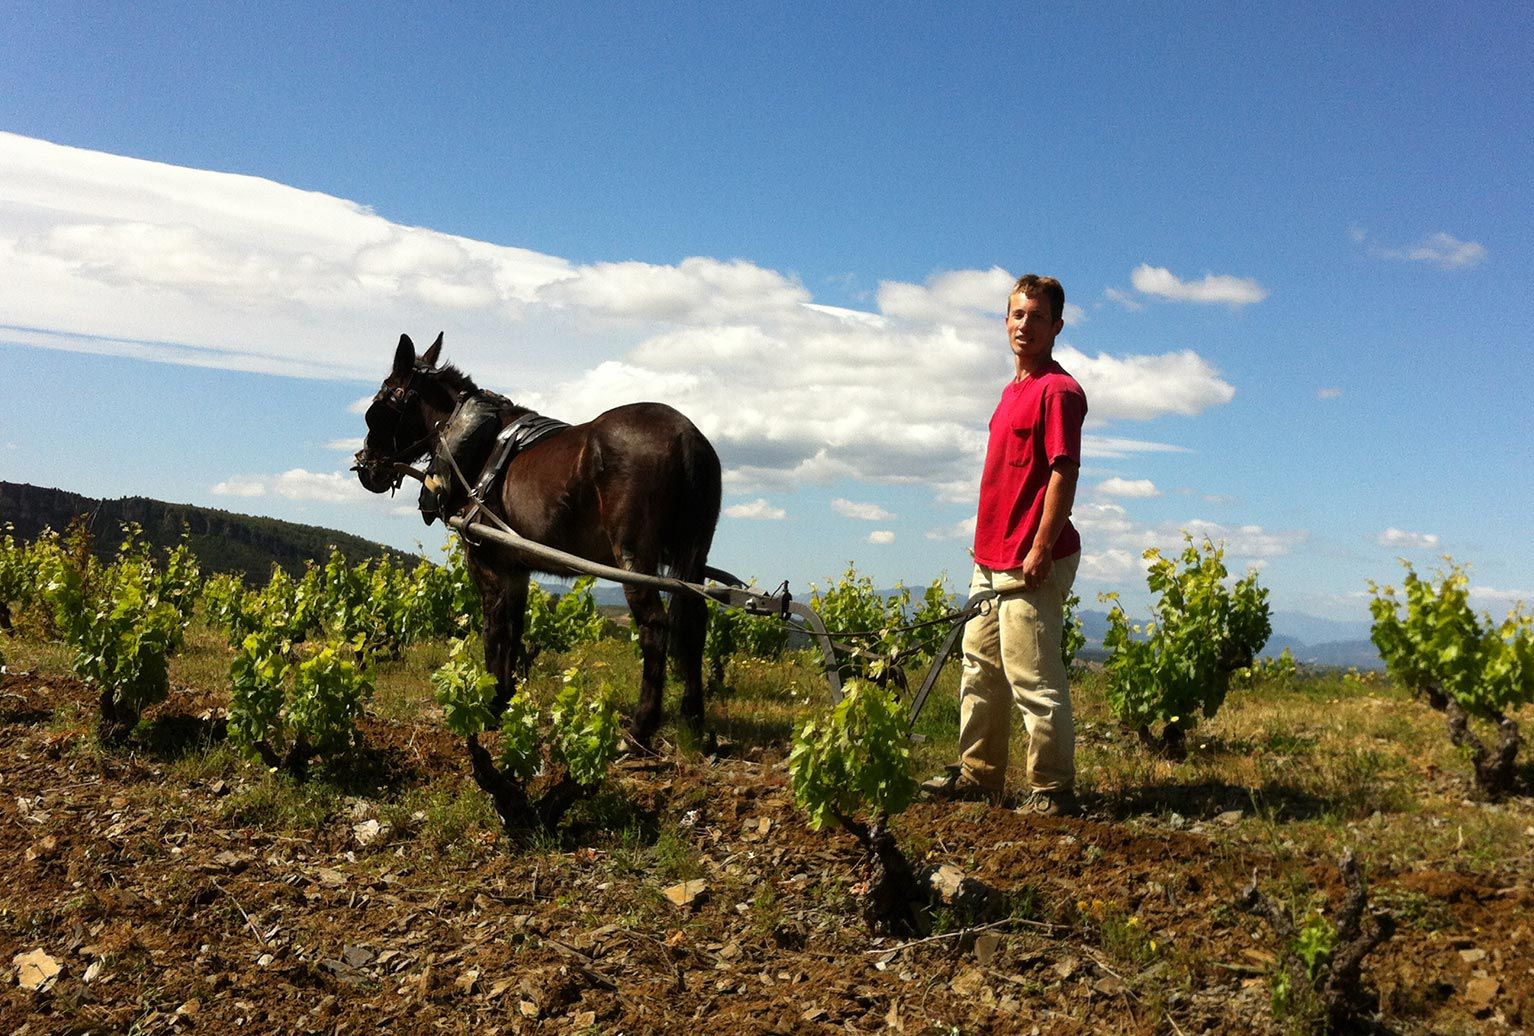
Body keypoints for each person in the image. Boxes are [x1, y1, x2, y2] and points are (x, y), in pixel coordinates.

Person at [922, 273, 1087, 816]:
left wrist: (1039, 548)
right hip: (991, 556)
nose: (1025, 325)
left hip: (1031, 557)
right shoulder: (1011, 391)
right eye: (1018, 314)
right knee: (979, 670)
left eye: (1038, 317)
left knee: (1033, 677)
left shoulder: (1058, 392)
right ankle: (980, 775)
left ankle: (1052, 790)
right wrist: (986, 543)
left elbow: (1063, 473)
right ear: (1005, 319)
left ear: (1057, 327)